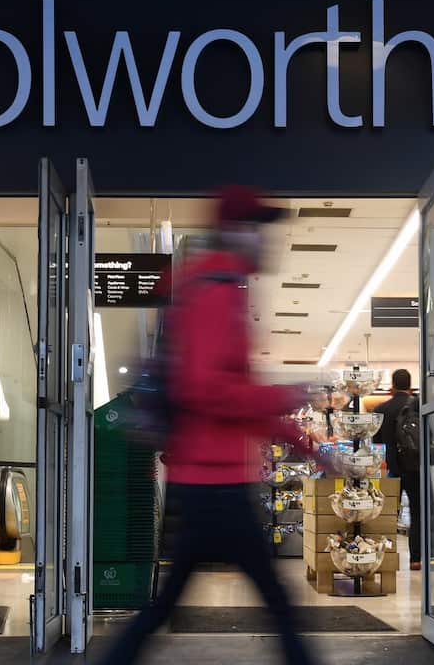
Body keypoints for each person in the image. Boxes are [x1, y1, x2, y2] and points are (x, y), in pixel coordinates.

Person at [99, 185, 318, 665]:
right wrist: (286, 395)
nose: (267, 240)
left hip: (209, 480)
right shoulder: (216, 292)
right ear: (236, 231)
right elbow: (207, 389)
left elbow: (238, 392)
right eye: (259, 228)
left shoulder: (223, 288)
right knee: (277, 604)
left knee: (169, 605)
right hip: (216, 485)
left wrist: (307, 445)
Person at [373, 368, 421, 570]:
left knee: (387, 514)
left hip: (392, 469)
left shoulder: (382, 409)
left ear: (392, 385)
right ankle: (416, 559)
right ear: (410, 386)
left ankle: (384, 558)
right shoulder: (418, 405)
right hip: (415, 467)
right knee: (417, 513)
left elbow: (376, 441)